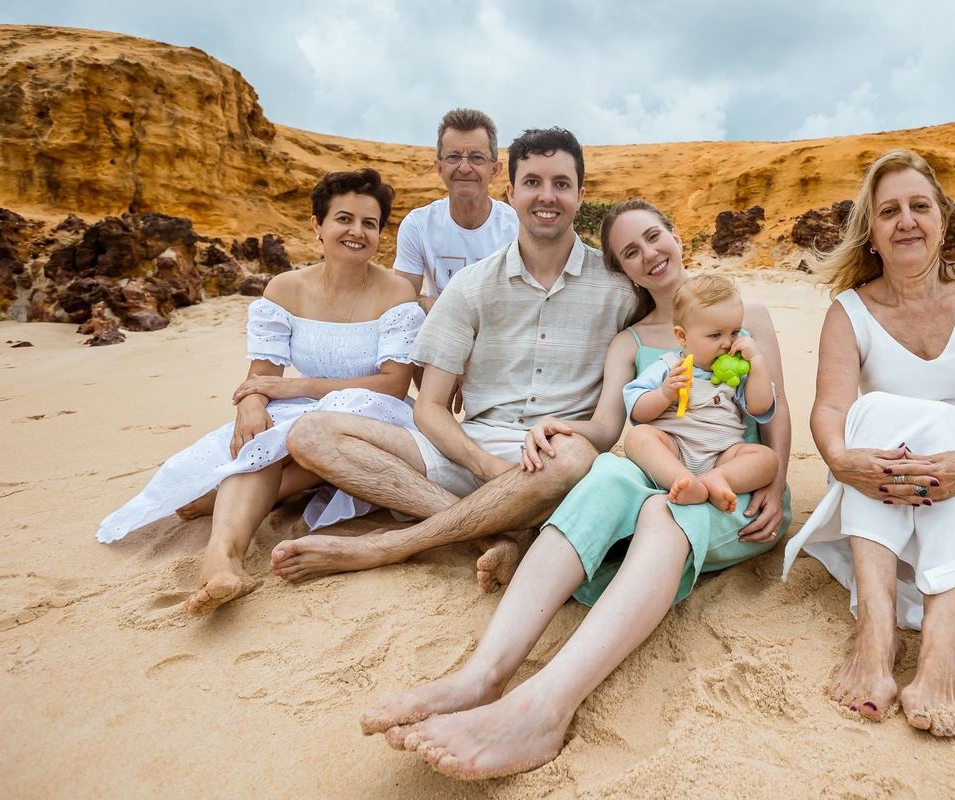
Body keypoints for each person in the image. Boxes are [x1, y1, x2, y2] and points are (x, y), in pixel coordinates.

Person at [359, 199, 791, 780]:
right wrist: (561, 429)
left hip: (735, 488)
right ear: (623, 271)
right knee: (611, 469)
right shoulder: (632, 341)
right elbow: (612, 428)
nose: (650, 255)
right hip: (668, 466)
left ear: (676, 235)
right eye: (630, 252)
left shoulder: (747, 317)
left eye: (655, 237)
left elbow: (773, 410)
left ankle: (546, 705)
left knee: (663, 512)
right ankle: (483, 673)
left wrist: (777, 478)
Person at [270, 128, 638, 593]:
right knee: (312, 432)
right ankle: (497, 533)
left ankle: (391, 544)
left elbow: (681, 321)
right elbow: (430, 407)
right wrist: (484, 466)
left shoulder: (620, 289)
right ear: (511, 192)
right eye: (533, 182)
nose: (547, 196)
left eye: (561, 184)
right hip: (467, 451)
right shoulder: (469, 285)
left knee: (575, 457)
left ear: (581, 195)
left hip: (553, 462)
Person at [780, 149, 955, 737]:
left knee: (946, 420)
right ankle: (876, 633)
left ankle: (945, 638)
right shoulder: (850, 311)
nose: (906, 221)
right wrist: (840, 459)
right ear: (871, 231)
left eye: (919, 206)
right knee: (872, 412)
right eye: (889, 210)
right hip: (885, 483)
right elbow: (831, 407)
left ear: (943, 219)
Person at [95, 168, 423, 615]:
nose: (357, 232)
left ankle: (240, 494)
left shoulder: (396, 292)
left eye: (370, 223)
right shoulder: (285, 289)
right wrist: (251, 405)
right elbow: (261, 374)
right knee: (262, 438)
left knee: (298, 431)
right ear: (317, 226)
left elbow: (393, 383)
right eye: (344, 219)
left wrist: (297, 386)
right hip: (302, 413)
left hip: (375, 412)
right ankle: (222, 562)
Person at [623, 273, 778, 513]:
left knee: (767, 459)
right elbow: (637, 411)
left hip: (723, 453)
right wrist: (664, 394)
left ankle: (716, 479)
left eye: (735, 332)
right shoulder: (668, 367)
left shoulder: (736, 372)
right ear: (682, 336)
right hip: (675, 448)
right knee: (638, 437)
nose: (728, 343)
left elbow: (759, 406)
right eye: (715, 335)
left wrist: (757, 361)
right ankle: (682, 479)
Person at [393, 108, 518, 313]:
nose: (464, 168)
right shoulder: (417, 225)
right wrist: (436, 307)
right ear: (439, 167)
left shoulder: (517, 227)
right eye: (453, 157)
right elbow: (402, 299)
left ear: (495, 170)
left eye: (477, 158)